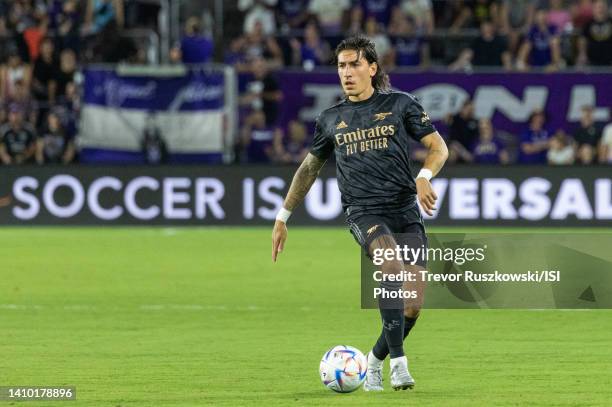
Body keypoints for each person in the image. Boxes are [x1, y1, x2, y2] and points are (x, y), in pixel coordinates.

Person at [271, 36, 448, 391]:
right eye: (341, 66)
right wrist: (282, 216)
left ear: (372, 67)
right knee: (390, 263)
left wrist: (424, 176)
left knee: (413, 303)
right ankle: (399, 365)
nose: (347, 73)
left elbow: (437, 147)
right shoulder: (330, 119)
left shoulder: (401, 105)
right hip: (363, 211)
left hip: (404, 209)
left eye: (354, 64)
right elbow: (308, 169)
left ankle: (374, 359)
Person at [577, 0, 612, 67]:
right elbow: (582, 40)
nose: (600, 9)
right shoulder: (588, 24)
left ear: (607, 9)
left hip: (610, 62)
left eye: (602, 7)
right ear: (593, 9)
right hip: (592, 62)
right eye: (598, 7)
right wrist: (582, 54)